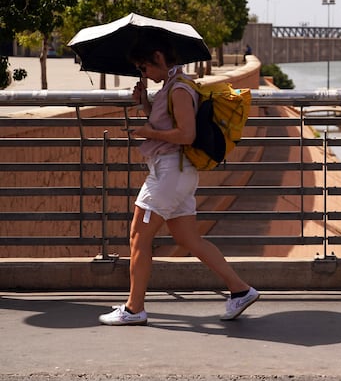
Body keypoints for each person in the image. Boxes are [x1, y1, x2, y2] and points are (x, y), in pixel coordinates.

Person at [98, 35, 259, 326]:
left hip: (169, 173)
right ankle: (241, 290)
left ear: (158, 57)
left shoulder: (180, 90)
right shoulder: (172, 87)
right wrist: (146, 104)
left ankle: (134, 309)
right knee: (188, 239)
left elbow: (186, 135)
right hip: (178, 174)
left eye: (144, 67)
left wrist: (149, 133)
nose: (143, 73)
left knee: (138, 237)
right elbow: (169, 124)